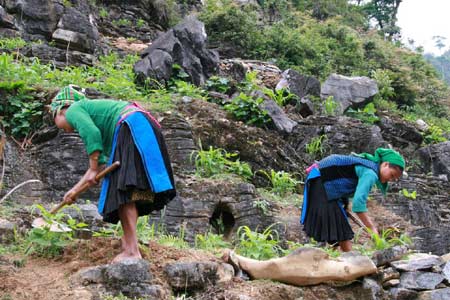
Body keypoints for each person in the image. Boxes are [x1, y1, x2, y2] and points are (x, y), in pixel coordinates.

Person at [49, 85, 176, 263]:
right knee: (132, 190)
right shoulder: (100, 117)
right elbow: (99, 165)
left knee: (121, 191)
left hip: (130, 125)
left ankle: (132, 250)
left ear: (60, 111)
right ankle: (129, 242)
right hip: (143, 127)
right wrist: (74, 190)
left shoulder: (73, 109)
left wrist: (94, 169)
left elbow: (91, 135)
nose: (64, 129)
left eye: (54, 118)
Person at [300, 148, 405, 252]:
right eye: (391, 175)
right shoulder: (370, 173)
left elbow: (344, 179)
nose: (390, 179)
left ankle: (338, 259)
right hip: (322, 180)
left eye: (394, 179)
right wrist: (372, 228)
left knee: (338, 227)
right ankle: (351, 259)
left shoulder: (369, 167)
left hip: (324, 182)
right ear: (385, 164)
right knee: (341, 230)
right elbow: (358, 204)